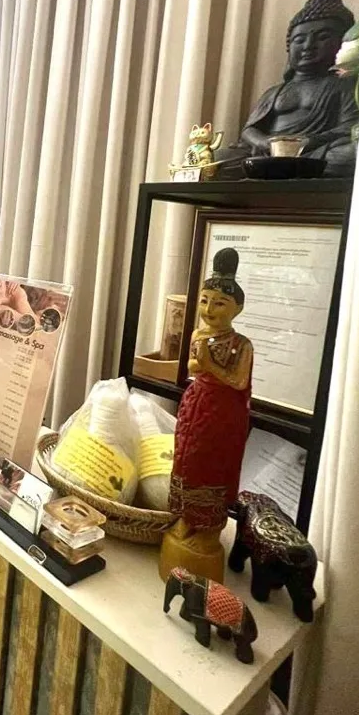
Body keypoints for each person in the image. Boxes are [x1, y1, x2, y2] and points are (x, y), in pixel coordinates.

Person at [160, 248, 253, 583]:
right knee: (187, 459)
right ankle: (186, 517)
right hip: (196, 406)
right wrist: (201, 364)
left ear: (237, 308)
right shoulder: (200, 334)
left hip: (222, 416)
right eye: (204, 301)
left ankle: (209, 529)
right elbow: (191, 367)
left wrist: (210, 365)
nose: (209, 310)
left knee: (212, 464)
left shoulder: (241, 344)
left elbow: (238, 380)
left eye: (219, 303)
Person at [219, 0, 357, 173]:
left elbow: (349, 128)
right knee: (218, 158)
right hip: (267, 153)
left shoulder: (346, 84)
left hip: (314, 151)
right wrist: (265, 143)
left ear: (342, 44)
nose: (308, 46)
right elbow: (248, 130)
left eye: (323, 37)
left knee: (351, 153)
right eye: (299, 40)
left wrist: (309, 142)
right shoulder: (275, 92)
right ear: (289, 46)